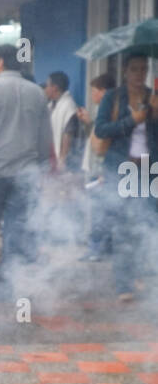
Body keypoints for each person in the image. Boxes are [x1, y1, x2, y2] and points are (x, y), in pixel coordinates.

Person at [0, 43, 53, 280]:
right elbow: (45, 138)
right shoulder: (37, 92)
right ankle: (11, 272)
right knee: (16, 224)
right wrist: (40, 168)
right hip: (26, 171)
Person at [94, 51, 158, 301]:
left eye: (143, 69)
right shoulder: (113, 97)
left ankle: (141, 274)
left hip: (149, 170)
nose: (139, 74)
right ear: (125, 71)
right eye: (134, 69)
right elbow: (100, 129)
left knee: (148, 223)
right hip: (121, 168)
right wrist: (132, 120)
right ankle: (124, 284)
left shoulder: (152, 98)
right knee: (123, 227)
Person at [77, 71, 114, 260]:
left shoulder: (108, 113)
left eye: (94, 91)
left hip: (100, 171)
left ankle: (97, 249)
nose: (92, 95)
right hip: (95, 169)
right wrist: (89, 123)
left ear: (104, 91)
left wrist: (102, 172)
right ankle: (98, 248)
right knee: (98, 211)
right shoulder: (102, 112)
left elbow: (102, 146)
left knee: (99, 212)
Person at [44, 71, 81, 167]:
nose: (45, 89)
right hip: (51, 157)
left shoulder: (68, 106)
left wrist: (62, 160)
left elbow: (68, 134)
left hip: (65, 161)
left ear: (55, 88)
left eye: (47, 86)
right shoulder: (51, 105)